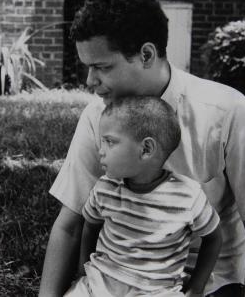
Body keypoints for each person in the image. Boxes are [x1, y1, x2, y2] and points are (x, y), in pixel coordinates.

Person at [39, 0, 245, 297]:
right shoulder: (97, 117)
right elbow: (70, 226)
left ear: (146, 54)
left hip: (211, 282)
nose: (90, 82)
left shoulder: (227, 113)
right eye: (88, 68)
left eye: (102, 67)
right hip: (120, 279)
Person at [64, 96, 222, 297]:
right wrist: (82, 270)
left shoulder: (188, 196)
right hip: (101, 280)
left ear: (146, 149)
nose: (100, 151)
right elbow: (90, 226)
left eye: (109, 142)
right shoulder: (105, 187)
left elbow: (214, 238)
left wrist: (196, 288)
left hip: (157, 291)